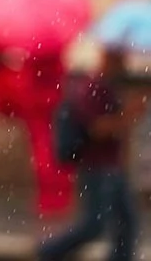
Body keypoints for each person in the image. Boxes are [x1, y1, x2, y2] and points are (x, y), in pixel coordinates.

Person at [38, 46, 144, 261]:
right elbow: (98, 129)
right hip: (97, 166)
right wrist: (130, 113)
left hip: (112, 166)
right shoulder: (92, 88)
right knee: (94, 225)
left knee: (127, 222)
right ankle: (48, 252)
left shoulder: (109, 87)